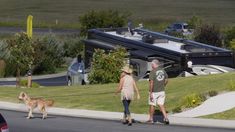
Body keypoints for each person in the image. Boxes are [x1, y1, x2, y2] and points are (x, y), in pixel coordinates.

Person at [147, 59, 169, 124]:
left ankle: (151, 119)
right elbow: (167, 80)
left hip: (154, 92)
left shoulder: (152, 72)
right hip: (162, 91)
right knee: (161, 104)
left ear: (154, 64)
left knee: (152, 105)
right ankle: (166, 118)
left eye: (152, 65)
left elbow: (151, 83)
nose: (151, 66)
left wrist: (151, 93)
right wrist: (163, 85)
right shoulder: (163, 70)